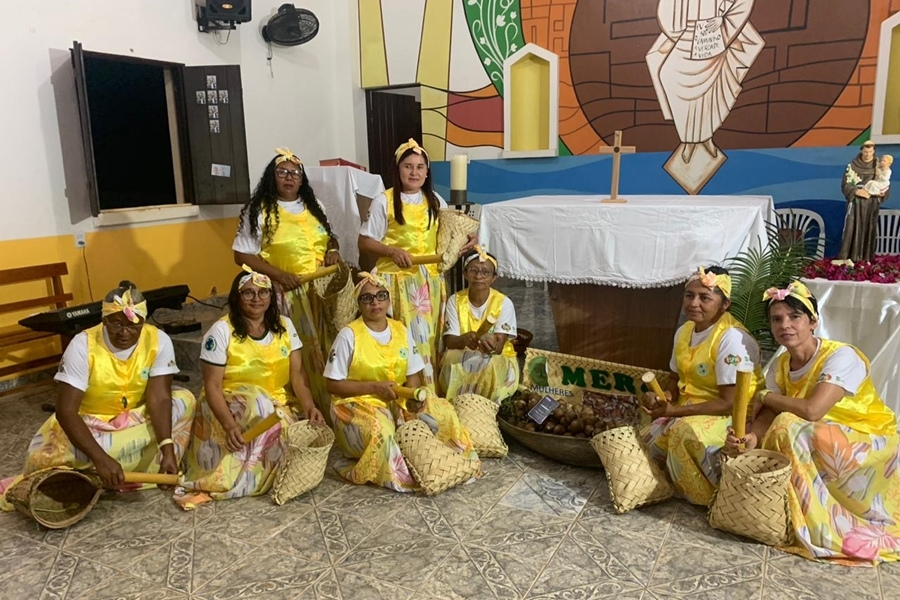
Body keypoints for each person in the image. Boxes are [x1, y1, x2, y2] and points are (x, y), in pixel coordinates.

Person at [725, 281, 900, 564]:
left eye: (795, 317)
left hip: (869, 441)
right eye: (777, 319)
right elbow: (768, 413)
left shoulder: (842, 356)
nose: (785, 325)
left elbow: (813, 410)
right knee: (766, 430)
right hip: (824, 438)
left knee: (788, 427)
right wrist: (751, 439)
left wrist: (765, 396)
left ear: (813, 322)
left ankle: (817, 523)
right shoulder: (781, 366)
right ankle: (789, 512)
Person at [1, 282, 196, 496]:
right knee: (58, 451)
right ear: (104, 320)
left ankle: (115, 467)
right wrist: (100, 458)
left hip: (136, 417)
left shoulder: (159, 340)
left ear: (143, 323)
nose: (125, 333)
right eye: (116, 325)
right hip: (94, 424)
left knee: (185, 400)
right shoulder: (82, 345)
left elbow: (159, 398)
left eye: (133, 326)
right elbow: (66, 411)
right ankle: (119, 465)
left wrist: (167, 446)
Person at [324, 271, 479, 492]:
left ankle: (454, 463)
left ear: (388, 299)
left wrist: (413, 399)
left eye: (381, 295)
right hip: (357, 403)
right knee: (382, 431)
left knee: (443, 412)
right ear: (358, 303)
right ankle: (403, 474)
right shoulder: (348, 335)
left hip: (397, 399)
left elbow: (412, 375)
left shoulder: (400, 329)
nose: (375, 302)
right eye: (367, 298)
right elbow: (332, 385)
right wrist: (374, 388)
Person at [182, 269, 324, 499]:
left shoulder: (285, 325)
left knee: (301, 437)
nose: (257, 299)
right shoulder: (221, 331)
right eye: (248, 293)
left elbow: (298, 376)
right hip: (229, 406)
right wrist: (229, 426)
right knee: (260, 404)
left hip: (276, 406)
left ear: (271, 297)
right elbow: (212, 387)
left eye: (262, 293)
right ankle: (247, 473)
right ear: (236, 298)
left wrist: (309, 408)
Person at [357, 139, 475, 391]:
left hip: (427, 282)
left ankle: (429, 391)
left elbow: (450, 235)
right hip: (396, 281)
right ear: (398, 170)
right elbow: (364, 241)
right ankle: (403, 390)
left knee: (428, 338)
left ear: (427, 171)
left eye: (420, 167)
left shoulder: (434, 201)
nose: (414, 172)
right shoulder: (384, 201)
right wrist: (390, 250)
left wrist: (469, 239)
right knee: (404, 338)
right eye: (408, 166)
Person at [233, 147, 342, 421]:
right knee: (299, 353)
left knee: (328, 350)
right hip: (286, 293)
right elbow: (241, 255)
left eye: (295, 173)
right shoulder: (259, 211)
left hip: (321, 292)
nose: (289, 178)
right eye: (282, 172)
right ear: (272, 177)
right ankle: (306, 411)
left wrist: (334, 250)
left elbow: (330, 237)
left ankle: (332, 410)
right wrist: (278, 275)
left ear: (302, 179)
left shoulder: (314, 207)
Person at [641, 266, 763, 506]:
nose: (694, 303)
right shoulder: (684, 331)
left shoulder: (731, 339)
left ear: (724, 304)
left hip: (732, 416)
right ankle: (677, 484)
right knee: (647, 440)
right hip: (692, 407)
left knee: (681, 433)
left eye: (705, 297)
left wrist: (674, 412)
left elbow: (730, 403)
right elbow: (675, 379)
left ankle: (710, 499)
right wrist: (663, 396)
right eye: (689, 295)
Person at [646, 0, 763, 164]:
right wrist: (676, 29)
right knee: (668, 74)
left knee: (710, 91)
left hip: (712, 37)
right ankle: (687, 139)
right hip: (687, 35)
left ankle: (706, 138)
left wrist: (723, 18)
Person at [440, 247, 519, 402]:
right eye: (473, 271)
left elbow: (499, 347)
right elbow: (449, 340)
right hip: (464, 353)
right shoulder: (455, 301)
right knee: (450, 357)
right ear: (465, 273)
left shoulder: (504, 303)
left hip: (495, 357)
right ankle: (461, 402)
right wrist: (463, 339)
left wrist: (491, 344)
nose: (479, 277)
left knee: (487, 362)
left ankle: (486, 404)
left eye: (485, 272)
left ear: (494, 277)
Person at [839, 141, 891, 262]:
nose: (868, 154)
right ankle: (848, 258)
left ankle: (865, 259)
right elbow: (845, 185)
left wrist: (882, 193)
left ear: (873, 152)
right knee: (851, 228)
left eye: (870, 152)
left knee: (868, 229)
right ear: (861, 150)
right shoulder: (852, 166)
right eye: (866, 151)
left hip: (871, 204)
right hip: (856, 203)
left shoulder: (878, 166)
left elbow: (885, 184)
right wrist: (856, 191)